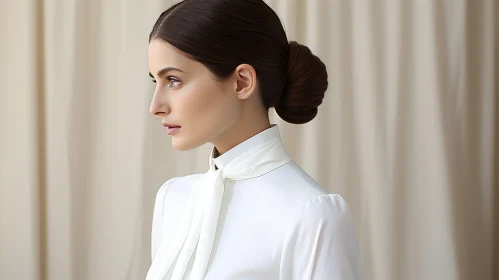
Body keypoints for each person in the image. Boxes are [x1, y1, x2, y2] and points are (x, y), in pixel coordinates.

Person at [146, 0, 362, 279]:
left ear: (242, 82)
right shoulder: (173, 199)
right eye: (156, 81)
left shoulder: (312, 215)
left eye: (173, 80)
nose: (155, 106)